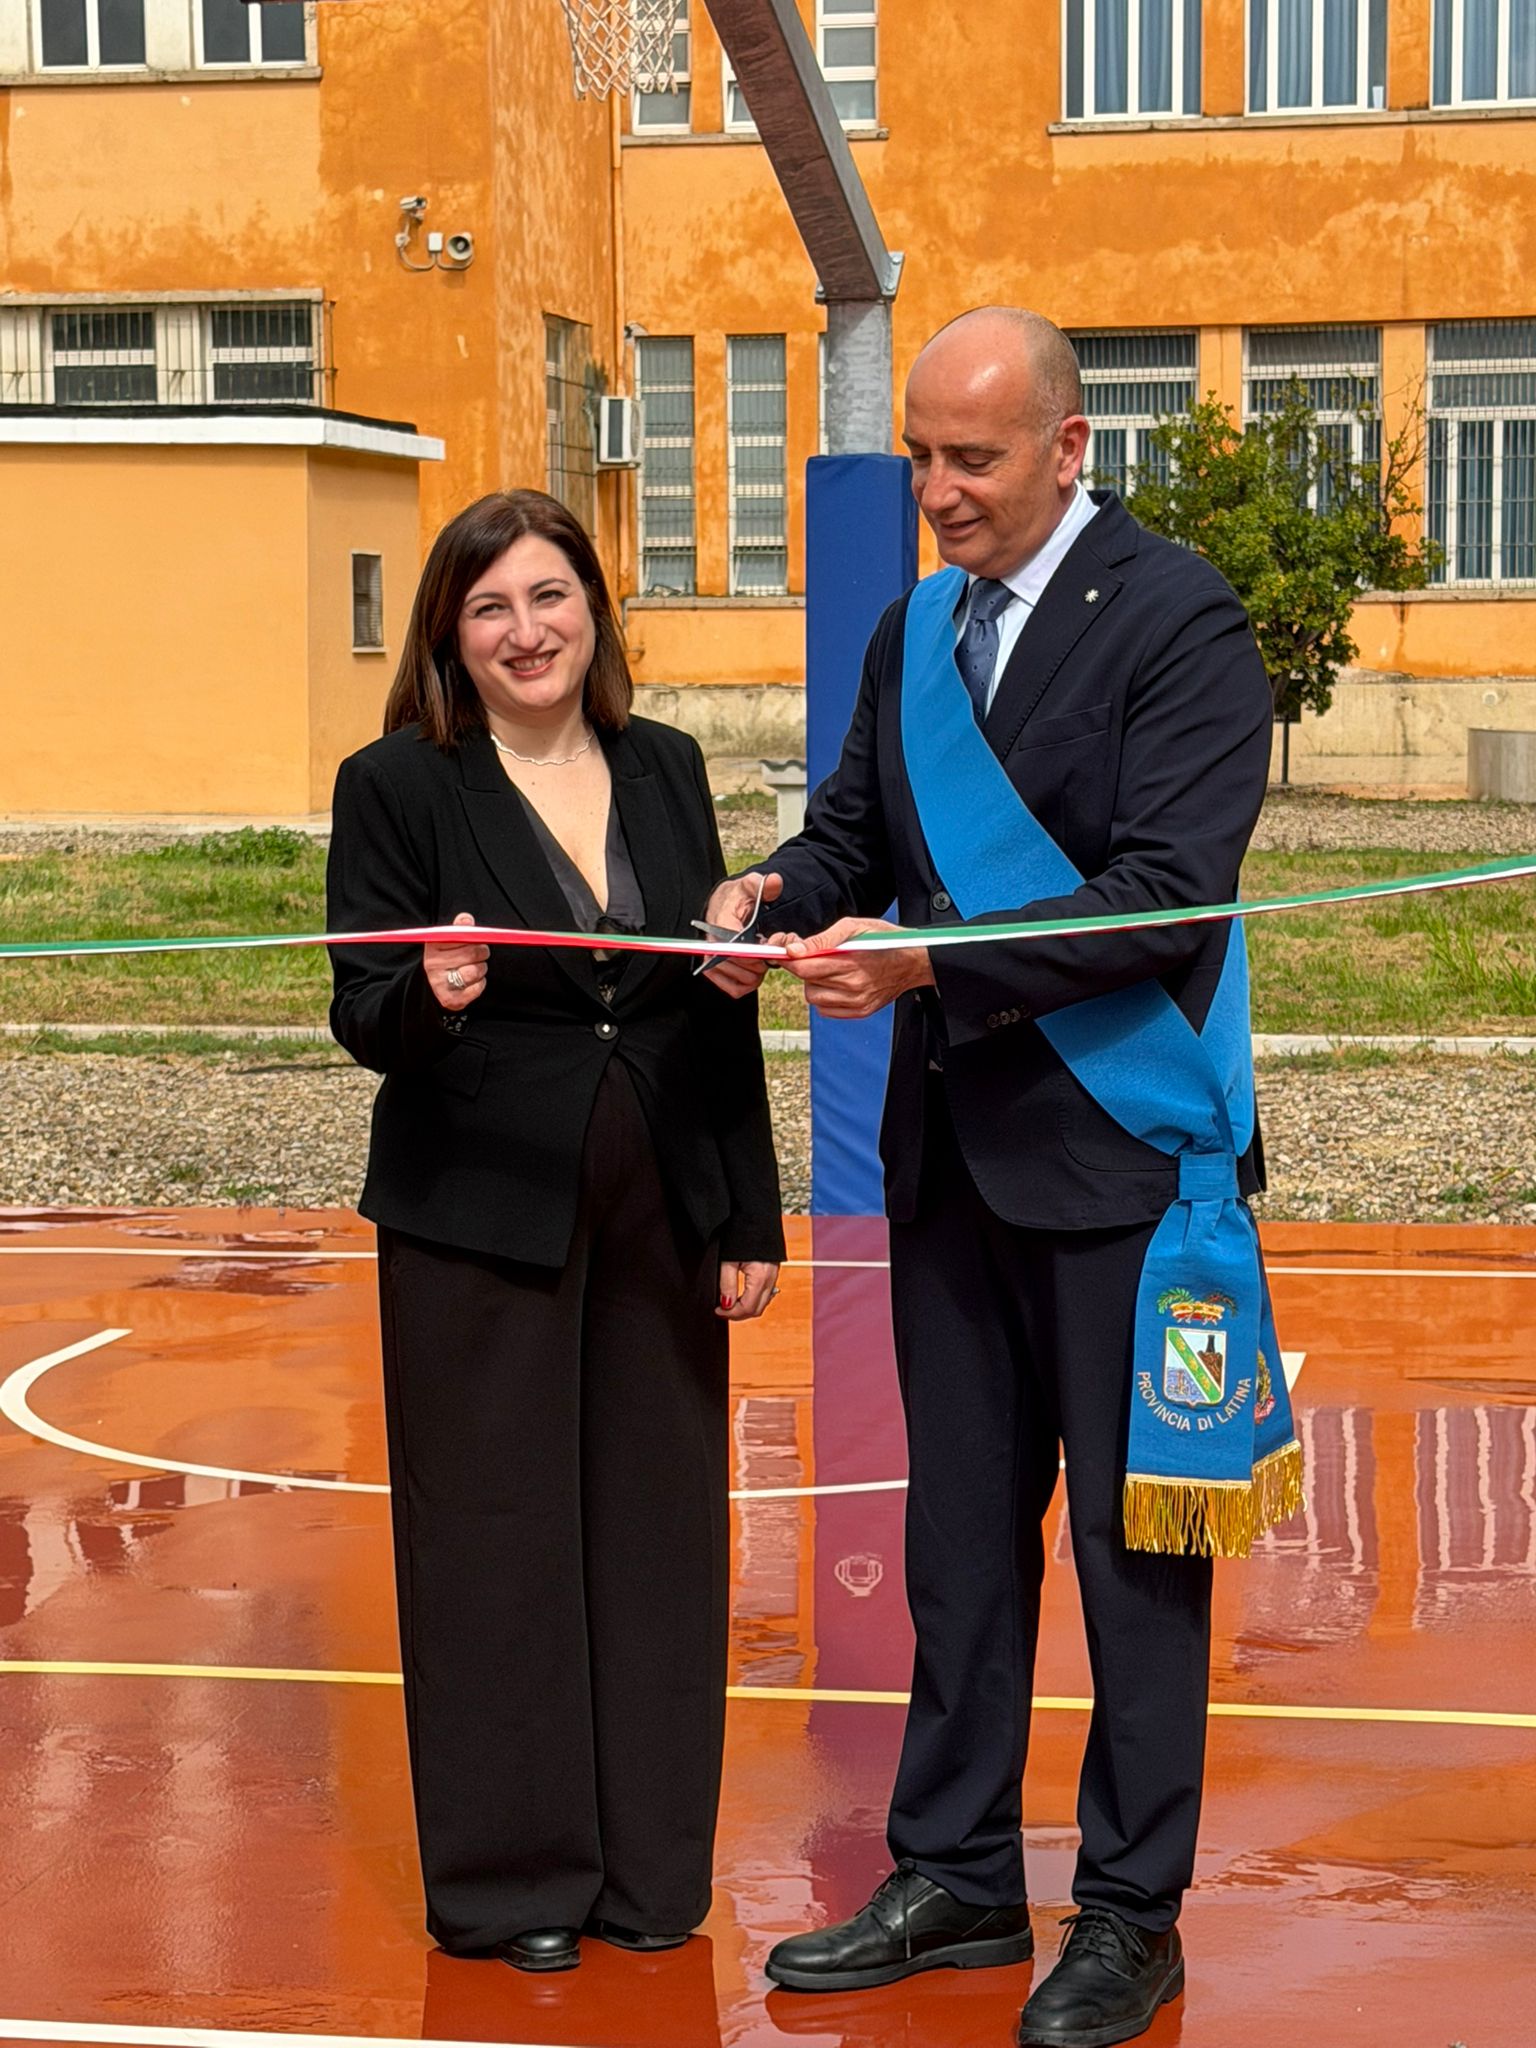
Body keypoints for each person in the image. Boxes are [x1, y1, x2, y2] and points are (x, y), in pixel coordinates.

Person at [704, 309, 1297, 2048]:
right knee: (956, 1546)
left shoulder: (1180, 619)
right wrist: (770, 893)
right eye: (920, 456)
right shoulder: (912, 630)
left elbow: (1167, 892)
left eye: (973, 458)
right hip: (953, 1171)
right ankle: (956, 1874)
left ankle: (1130, 1913)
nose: (939, 490)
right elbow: (855, 833)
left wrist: (927, 965)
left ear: (1069, 444)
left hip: (1124, 1167)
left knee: (1134, 1554)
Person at [327, 489, 784, 1976]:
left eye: (549, 597)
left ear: (593, 609)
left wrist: (746, 1208)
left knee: (658, 1531)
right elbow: (359, 1009)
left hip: (661, 1203)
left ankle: (648, 1869)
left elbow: (710, 1002)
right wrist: (427, 994)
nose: (526, 632)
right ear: (448, 637)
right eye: (490, 608)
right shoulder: (396, 785)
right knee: (492, 1539)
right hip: (478, 1211)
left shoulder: (666, 767)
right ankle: (513, 1878)